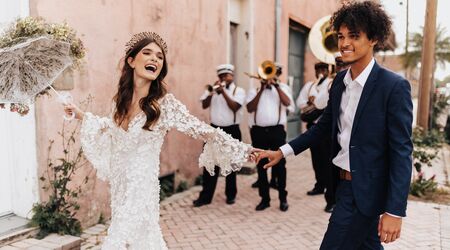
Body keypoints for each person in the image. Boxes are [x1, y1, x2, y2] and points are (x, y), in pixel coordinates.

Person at [64, 32, 253, 249]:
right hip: (120, 188)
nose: (155, 59)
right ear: (131, 61)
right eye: (147, 53)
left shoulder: (164, 105)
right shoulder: (119, 103)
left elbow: (204, 130)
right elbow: (110, 128)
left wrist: (245, 149)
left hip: (142, 191)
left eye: (160, 57)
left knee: (123, 239)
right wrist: (80, 114)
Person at [254, 1, 413, 249]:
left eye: (354, 35)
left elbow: (402, 151)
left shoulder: (392, 86)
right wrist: (282, 151)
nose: (344, 43)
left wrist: (395, 211)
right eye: (340, 36)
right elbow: (322, 127)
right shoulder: (340, 81)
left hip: (365, 191)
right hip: (342, 185)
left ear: (373, 38)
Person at [193, 64, 246, 207]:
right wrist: (211, 93)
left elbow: (235, 107)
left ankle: (231, 195)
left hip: (232, 130)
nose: (223, 78)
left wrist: (223, 92)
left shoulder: (238, 91)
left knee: (230, 163)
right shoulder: (214, 90)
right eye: (221, 76)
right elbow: (204, 105)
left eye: (226, 75)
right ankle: (205, 197)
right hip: (214, 130)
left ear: (232, 76)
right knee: (210, 163)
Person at [246, 62, 294, 212]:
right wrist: (261, 89)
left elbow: (288, 103)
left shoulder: (283, 88)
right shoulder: (254, 90)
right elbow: (249, 108)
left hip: (277, 131)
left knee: (280, 165)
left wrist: (276, 87)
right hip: (258, 131)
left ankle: (283, 198)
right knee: (260, 165)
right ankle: (264, 199)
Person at [297, 62, 332, 197]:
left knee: (327, 160)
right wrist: (308, 102)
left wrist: (316, 101)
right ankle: (319, 185)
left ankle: (330, 189)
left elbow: (327, 101)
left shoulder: (330, 83)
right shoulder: (309, 85)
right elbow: (300, 102)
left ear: (328, 71)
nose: (321, 72)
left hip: (326, 128)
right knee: (316, 159)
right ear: (316, 71)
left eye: (324, 69)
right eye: (318, 70)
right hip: (313, 126)